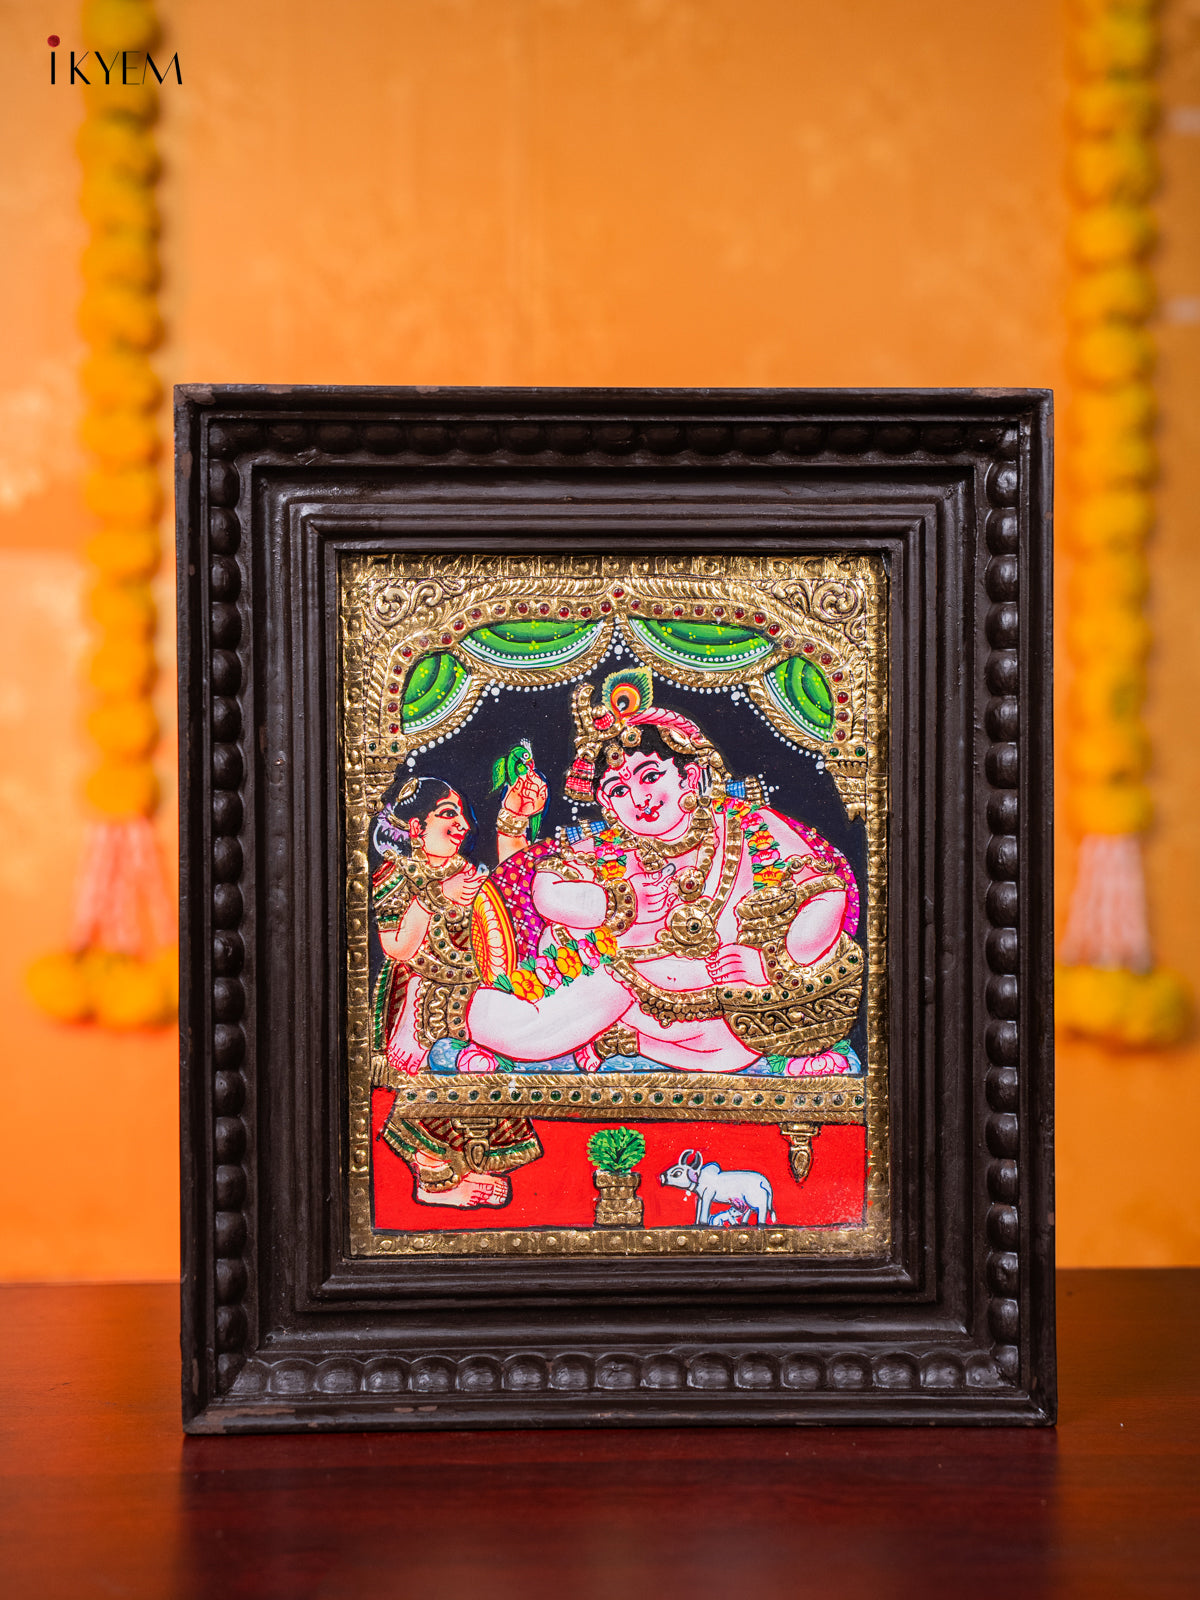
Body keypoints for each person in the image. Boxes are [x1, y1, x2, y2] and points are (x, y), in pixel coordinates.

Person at [465, 670, 864, 1075]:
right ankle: (620, 1035)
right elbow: (545, 888)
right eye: (619, 791)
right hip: (628, 992)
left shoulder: (750, 825)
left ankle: (628, 1042)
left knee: (732, 1048)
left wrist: (770, 962)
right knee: (491, 1019)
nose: (640, 799)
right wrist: (619, 902)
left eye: (651, 776)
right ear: (607, 804)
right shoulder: (612, 846)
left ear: (689, 776)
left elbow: (828, 895)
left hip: (728, 1010)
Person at [370, 769, 547, 1208]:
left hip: (473, 997)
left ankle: (475, 1169)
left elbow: (513, 890)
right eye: (448, 813)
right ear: (416, 827)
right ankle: (433, 1179)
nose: (464, 824)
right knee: (445, 1075)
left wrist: (513, 820)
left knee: (493, 1068)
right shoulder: (397, 875)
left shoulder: (466, 872)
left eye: (464, 815)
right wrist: (436, 898)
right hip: (420, 998)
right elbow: (396, 947)